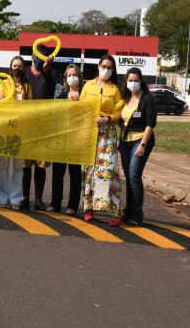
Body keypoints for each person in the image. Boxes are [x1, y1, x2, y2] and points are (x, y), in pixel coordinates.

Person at [79, 55, 123, 226]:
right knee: (88, 169)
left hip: (107, 134)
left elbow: (120, 111)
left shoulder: (115, 89)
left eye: (110, 67)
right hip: (88, 132)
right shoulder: (88, 85)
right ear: (98, 66)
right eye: (104, 66)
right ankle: (88, 207)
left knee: (108, 170)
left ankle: (116, 211)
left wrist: (108, 118)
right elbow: (80, 107)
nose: (106, 69)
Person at [119, 67, 156, 226]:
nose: (133, 83)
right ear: (126, 81)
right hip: (125, 142)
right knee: (128, 178)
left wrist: (142, 144)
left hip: (140, 141)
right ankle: (128, 210)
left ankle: (136, 213)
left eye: (136, 80)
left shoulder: (147, 98)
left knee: (134, 176)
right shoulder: (125, 97)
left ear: (141, 81)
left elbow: (151, 123)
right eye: (130, 80)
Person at [21, 44, 57, 210]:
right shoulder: (25, 73)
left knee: (40, 165)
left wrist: (47, 69)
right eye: (36, 56)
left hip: (43, 125)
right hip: (26, 124)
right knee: (25, 164)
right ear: (32, 57)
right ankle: (24, 197)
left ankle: (38, 199)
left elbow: (51, 90)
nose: (38, 59)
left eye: (42, 56)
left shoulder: (52, 73)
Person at [0, 56, 32, 210]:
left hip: (20, 129)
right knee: (3, 165)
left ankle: (16, 199)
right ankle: (2, 198)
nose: (17, 68)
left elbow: (30, 106)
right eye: (14, 65)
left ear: (23, 68)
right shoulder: (5, 84)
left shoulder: (27, 86)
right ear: (10, 67)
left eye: (19, 65)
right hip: (5, 129)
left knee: (18, 166)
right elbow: (0, 101)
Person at [47, 64, 83, 214]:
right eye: (69, 75)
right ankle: (55, 203)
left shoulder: (85, 96)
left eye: (74, 75)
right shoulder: (61, 95)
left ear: (80, 78)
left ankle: (72, 206)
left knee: (74, 173)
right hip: (61, 139)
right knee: (57, 173)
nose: (71, 78)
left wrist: (79, 101)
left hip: (77, 140)